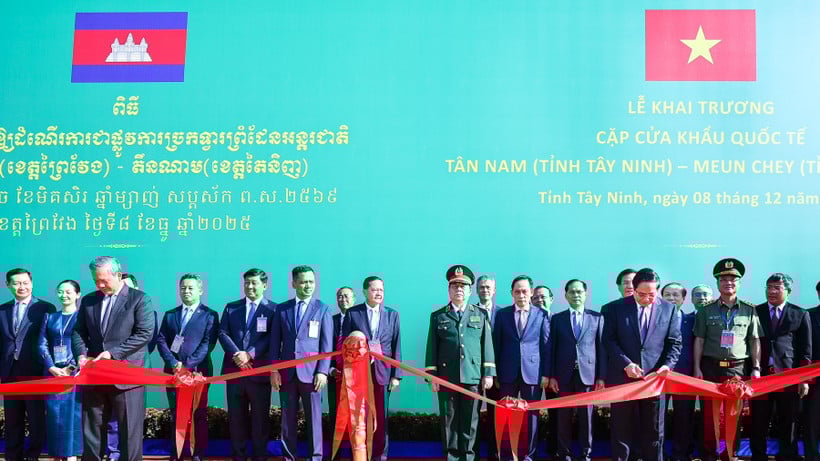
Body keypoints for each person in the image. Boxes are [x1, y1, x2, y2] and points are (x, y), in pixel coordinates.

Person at [72, 256, 155, 461]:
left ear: (118, 275)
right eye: (95, 281)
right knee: (92, 430)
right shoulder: (90, 300)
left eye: (104, 280)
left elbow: (144, 333)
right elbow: (78, 332)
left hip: (126, 377)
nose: (100, 285)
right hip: (95, 375)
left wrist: (112, 354)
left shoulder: (139, 299)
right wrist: (81, 355)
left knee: (129, 433)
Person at [603, 267, 681, 461]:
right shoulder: (613, 309)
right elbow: (608, 340)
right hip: (623, 379)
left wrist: (667, 366)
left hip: (654, 381)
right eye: (642, 294)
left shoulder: (668, 309)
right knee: (622, 431)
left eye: (652, 294)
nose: (648, 299)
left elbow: (674, 343)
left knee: (654, 431)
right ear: (633, 289)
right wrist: (626, 364)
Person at [693, 258, 762, 461]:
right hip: (711, 367)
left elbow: (755, 340)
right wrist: (697, 368)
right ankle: (709, 454)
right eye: (723, 279)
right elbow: (699, 340)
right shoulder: (706, 310)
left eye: (733, 279)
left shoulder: (750, 310)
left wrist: (756, 367)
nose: (728, 283)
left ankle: (731, 455)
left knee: (734, 415)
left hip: (738, 369)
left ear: (738, 283)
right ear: (717, 283)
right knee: (709, 416)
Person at [425, 265, 495, 461]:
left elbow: (486, 345)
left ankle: (470, 457)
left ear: (470, 290)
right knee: (449, 422)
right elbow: (432, 347)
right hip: (447, 378)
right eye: (454, 286)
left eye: (463, 286)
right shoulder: (438, 316)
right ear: (449, 289)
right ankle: (452, 457)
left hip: (472, 376)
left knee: (471, 422)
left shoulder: (480, 314)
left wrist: (488, 373)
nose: (459, 289)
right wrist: (432, 376)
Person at [270, 266, 332, 461]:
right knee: (287, 421)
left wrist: (322, 371)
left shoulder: (322, 309)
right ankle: (289, 457)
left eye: (311, 282)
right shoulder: (282, 309)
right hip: (287, 374)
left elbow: (327, 344)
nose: (308, 286)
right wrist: (274, 370)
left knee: (314, 420)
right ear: (294, 283)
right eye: (304, 281)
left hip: (312, 375)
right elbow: (274, 343)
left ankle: (315, 457)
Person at [156, 274, 219, 461]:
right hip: (173, 373)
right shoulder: (170, 314)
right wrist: (173, 363)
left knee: (198, 414)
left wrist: (188, 365)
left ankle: (197, 454)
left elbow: (208, 344)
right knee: (176, 414)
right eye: (183, 287)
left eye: (191, 288)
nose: (187, 291)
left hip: (198, 372)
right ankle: (177, 454)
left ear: (200, 290)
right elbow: (161, 340)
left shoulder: (210, 315)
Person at [750, 273, 811, 461]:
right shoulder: (755, 311)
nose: (772, 291)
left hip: (788, 376)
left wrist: (804, 379)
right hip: (761, 377)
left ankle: (787, 456)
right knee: (758, 421)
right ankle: (758, 456)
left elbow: (805, 350)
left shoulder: (800, 313)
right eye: (769, 287)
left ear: (788, 291)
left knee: (788, 421)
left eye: (777, 288)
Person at [341, 276, 402, 461]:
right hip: (358, 375)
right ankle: (359, 455)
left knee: (381, 419)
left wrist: (396, 375)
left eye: (381, 290)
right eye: (375, 290)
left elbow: (396, 344)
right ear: (365, 291)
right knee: (359, 419)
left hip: (382, 374)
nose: (378, 293)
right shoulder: (353, 313)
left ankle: (379, 456)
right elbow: (344, 345)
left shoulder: (392, 314)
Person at [218, 268, 276, 461]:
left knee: (260, 420)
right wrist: (237, 354)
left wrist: (249, 354)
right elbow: (222, 333)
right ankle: (239, 456)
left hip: (258, 372)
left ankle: (260, 456)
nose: (250, 287)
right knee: (236, 419)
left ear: (265, 285)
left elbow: (272, 338)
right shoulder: (231, 307)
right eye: (247, 283)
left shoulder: (273, 309)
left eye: (254, 283)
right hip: (234, 372)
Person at [491, 275, 549, 461]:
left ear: (531, 292)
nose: (521, 295)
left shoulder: (541, 314)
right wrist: (496, 373)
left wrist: (546, 374)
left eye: (525, 291)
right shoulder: (502, 315)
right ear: (511, 294)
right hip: (507, 373)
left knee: (532, 417)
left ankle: (529, 456)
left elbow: (546, 346)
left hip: (533, 373)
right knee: (506, 415)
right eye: (517, 291)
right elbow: (496, 345)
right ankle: (507, 455)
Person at [546, 279, 605, 461]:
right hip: (563, 376)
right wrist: (552, 375)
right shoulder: (557, 319)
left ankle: (585, 455)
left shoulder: (597, 317)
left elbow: (601, 348)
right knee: (563, 418)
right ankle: (564, 454)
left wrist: (601, 377)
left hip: (587, 376)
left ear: (586, 294)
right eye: (572, 292)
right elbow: (551, 348)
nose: (576, 295)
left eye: (579, 291)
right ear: (565, 295)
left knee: (586, 418)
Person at [1, 268, 55, 461]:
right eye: (16, 283)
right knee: (12, 420)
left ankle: (33, 456)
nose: (21, 287)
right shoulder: (2, 309)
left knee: (36, 419)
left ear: (31, 283)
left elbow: (49, 340)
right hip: (9, 373)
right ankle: (12, 456)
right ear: (8, 285)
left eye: (25, 282)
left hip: (35, 372)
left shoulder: (45, 308)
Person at [39, 280, 83, 461]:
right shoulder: (50, 317)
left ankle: (72, 455)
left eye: (68, 292)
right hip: (52, 374)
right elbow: (42, 343)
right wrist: (51, 367)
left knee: (73, 415)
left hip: (75, 374)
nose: (64, 295)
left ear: (77, 294)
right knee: (54, 416)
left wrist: (70, 368)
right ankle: (56, 454)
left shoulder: (83, 318)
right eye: (60, 292)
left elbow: (85, 345)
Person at [662, 282, 699, 461]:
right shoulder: (655, 319)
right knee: (657, 418)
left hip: (685, 377)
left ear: (684, 299)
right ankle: (658, 454)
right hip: (660, 377)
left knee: (683, 418)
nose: (671, 298)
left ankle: (680, 455)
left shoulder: (692, 321)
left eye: (676, 295)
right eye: (667, 294)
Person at [475, 274, 501, 461]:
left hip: (497, 375)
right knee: (472, 415)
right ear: (476, 290)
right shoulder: (469, 311)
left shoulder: (504, 313)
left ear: (494, 290)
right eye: (481, 287)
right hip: (474, 373)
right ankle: (472, 453)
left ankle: (494, 454)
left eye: (488, 287)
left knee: (495, 416)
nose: (485, 290)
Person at [531, 283, 558, 457]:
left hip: (555, 375)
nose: (540, 300)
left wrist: (552, 374)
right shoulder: (528, 319)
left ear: (551, 299)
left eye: (543, 297)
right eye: (536, 298)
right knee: (531, 413)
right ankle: (530, 450)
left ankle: (554, 449)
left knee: (556, 413)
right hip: (531, 373)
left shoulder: (559, 319)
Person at [328, 285, 356, 458]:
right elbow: (324, 346)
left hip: (355, 378)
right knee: (335, 415)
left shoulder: (360, 319)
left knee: (355, 419)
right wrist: (330, 368)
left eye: (346, 296)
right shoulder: (331, 320)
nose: (343, 299)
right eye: (339, 297)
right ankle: (335, 454)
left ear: (353, 299)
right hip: (334, 375)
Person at [801, 281, 820, 461]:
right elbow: (805, 346)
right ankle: (812, 456)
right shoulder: (809, 315)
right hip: (815, 375)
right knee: (812, 420)